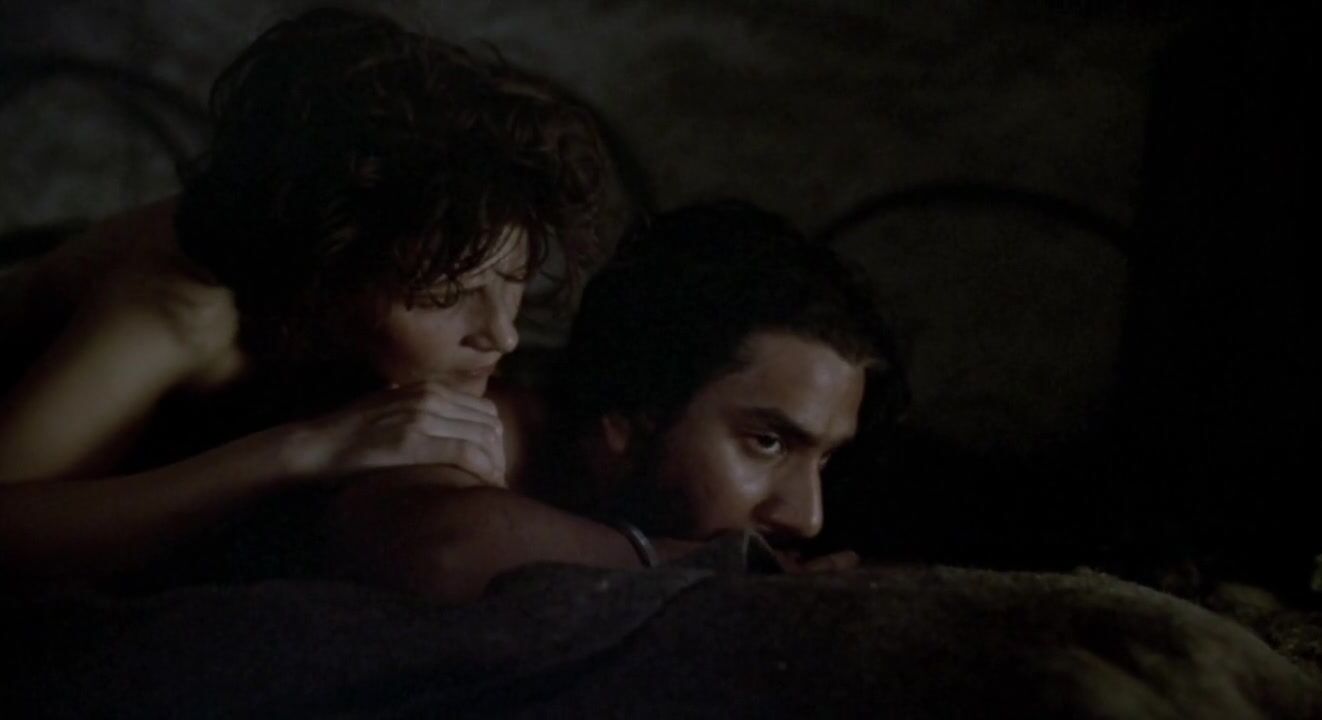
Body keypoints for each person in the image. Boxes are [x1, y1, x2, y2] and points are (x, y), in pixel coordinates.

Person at [0, 7, 617, 589]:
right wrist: (305, 448)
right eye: (448, 295)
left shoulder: (390, 305)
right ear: (328, 281)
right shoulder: (180, 310)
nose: (502, 333)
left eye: (514, 276)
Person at [325, 200, 907, 603]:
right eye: (768, 442)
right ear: (627, 418)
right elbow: (444, 550)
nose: (807, 517)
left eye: (825, 458)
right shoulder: (469, 424)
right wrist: (710, 563)